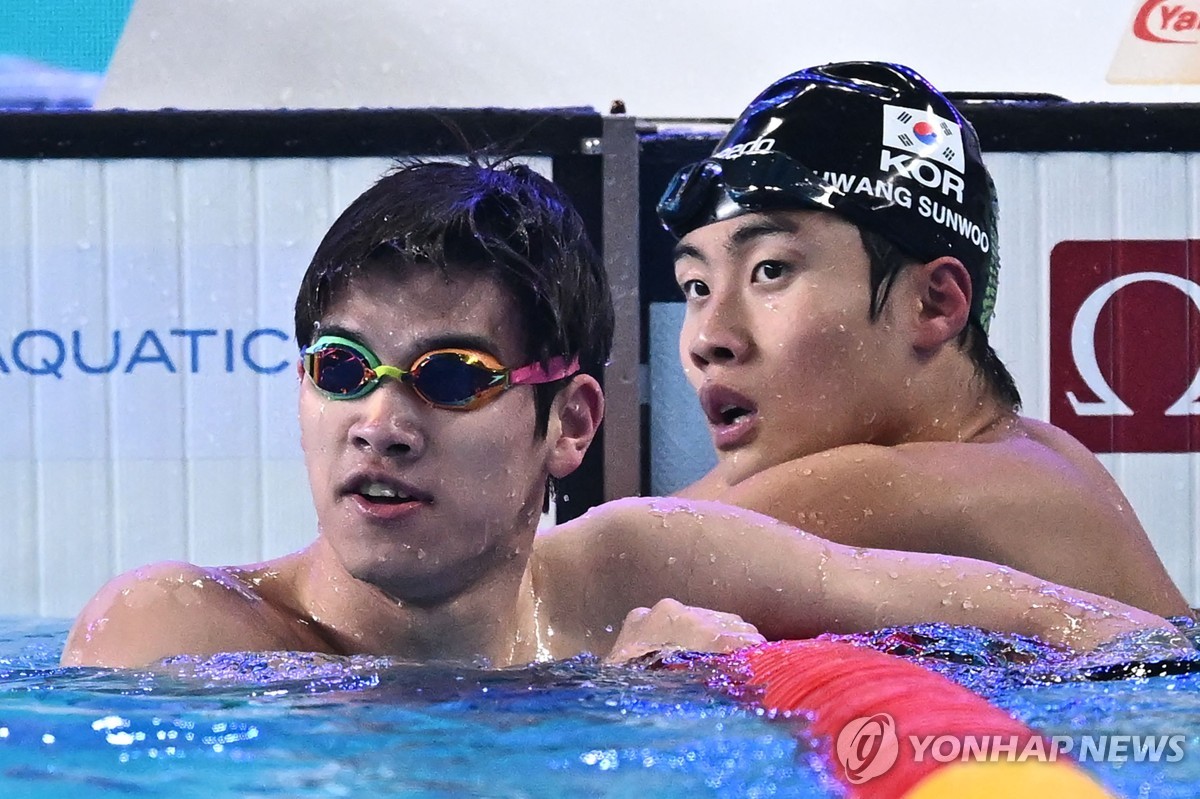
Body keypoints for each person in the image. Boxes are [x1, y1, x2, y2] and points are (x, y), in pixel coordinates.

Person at [62, 160, 1176, 670]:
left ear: (573, 423)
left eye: (451, 377)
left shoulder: (636, 564)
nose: (380, 422)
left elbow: (1114, 639)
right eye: (343, 369)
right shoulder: (176, 636)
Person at [656, 61, 1189, 618]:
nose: (708, 338)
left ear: (934, 303)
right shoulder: (1031, 452)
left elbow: (591, 573)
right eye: (697, 286)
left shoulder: (931, 488)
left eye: (770, 271)